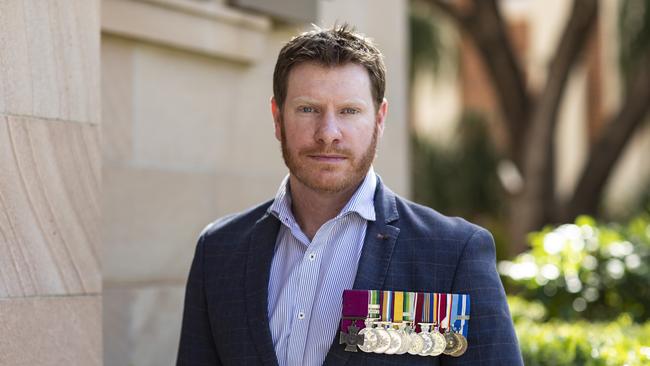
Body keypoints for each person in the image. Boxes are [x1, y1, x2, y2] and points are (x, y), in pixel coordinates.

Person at [176, 24, 523, 366]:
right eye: (308, 109)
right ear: (278, 118)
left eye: (349, 111)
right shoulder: (219, 251)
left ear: (379, 119)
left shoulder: (453, 253)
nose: (328, 133)